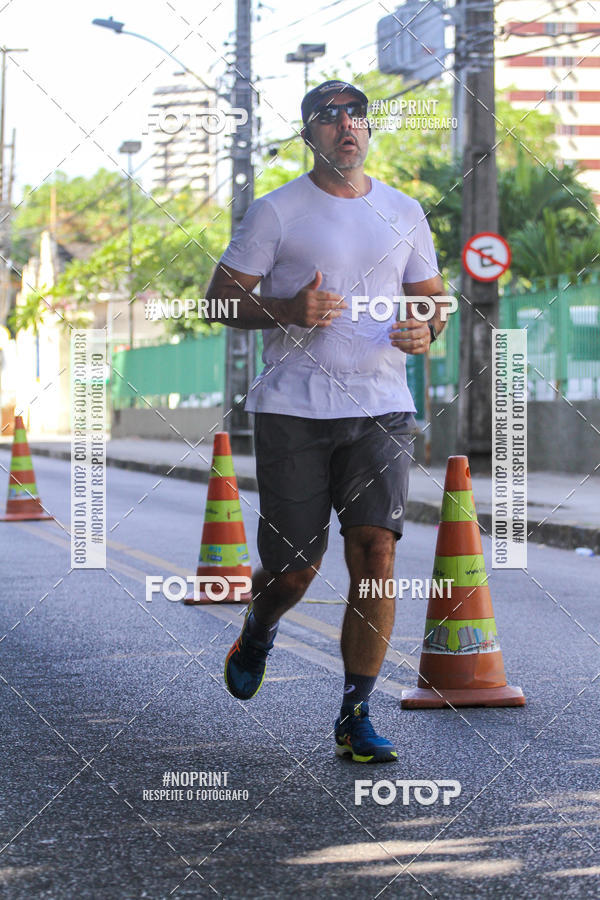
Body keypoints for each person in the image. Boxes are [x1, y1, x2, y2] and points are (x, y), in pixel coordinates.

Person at [206, 80, 446, 763]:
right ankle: (259, 628)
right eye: (330, 116)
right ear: (309, 134)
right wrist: (286, 311)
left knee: (377, 552)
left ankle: (356, 713)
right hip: (293, 413)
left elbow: (433, 302)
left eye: (357, 115)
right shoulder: (278, 213)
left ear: (369, 132)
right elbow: (217, 303)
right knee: (294, 571)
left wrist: (424, 329)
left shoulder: (403, 211)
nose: (347, 125)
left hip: (382, 410)